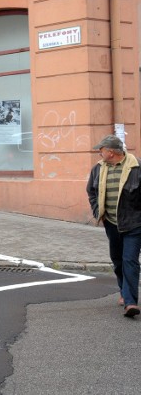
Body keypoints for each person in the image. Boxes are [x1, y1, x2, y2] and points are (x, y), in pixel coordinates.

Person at [87, 134, 141, 318]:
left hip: (134, 223)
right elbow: (91, 191)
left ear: (110, 152)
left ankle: (130, 302)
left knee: (130, 261)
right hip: (111, 223)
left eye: (101, 149)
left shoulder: (137, 167)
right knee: (117, 260)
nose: (99, 152)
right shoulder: (98, 169)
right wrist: (97, 211)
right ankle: (123, 291)